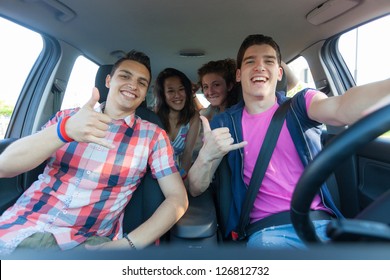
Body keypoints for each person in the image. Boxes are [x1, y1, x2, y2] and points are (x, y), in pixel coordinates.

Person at [188, 34, 390, 249]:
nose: (259, 67)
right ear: (238, 75)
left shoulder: (300, 105)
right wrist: (206, 155)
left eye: (268, 61)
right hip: (266, 234)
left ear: (279, 72)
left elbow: (341, 106)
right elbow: (195, 188)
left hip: (321, 226)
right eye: (250, 62)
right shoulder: (225, 123)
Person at [0, 50, 188, 255]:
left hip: (86, 242)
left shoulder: (153, 136)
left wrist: (128, 244)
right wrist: (65, 131)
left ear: (145, 93)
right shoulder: (68, 118)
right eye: (125, 76)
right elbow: (5, 166)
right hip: (20, 225)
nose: (133, 85)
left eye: (142, 83)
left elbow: (178, 198)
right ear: (108, 81)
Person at [154, 68, 200, 181]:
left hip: (178, 173)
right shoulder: (153, 118)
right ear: (163, 94)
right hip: (154, 174)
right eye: (170, 91)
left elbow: (187, 154)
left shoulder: (193, 118)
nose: (177, 95)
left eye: (181, 89)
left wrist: (181, 180)